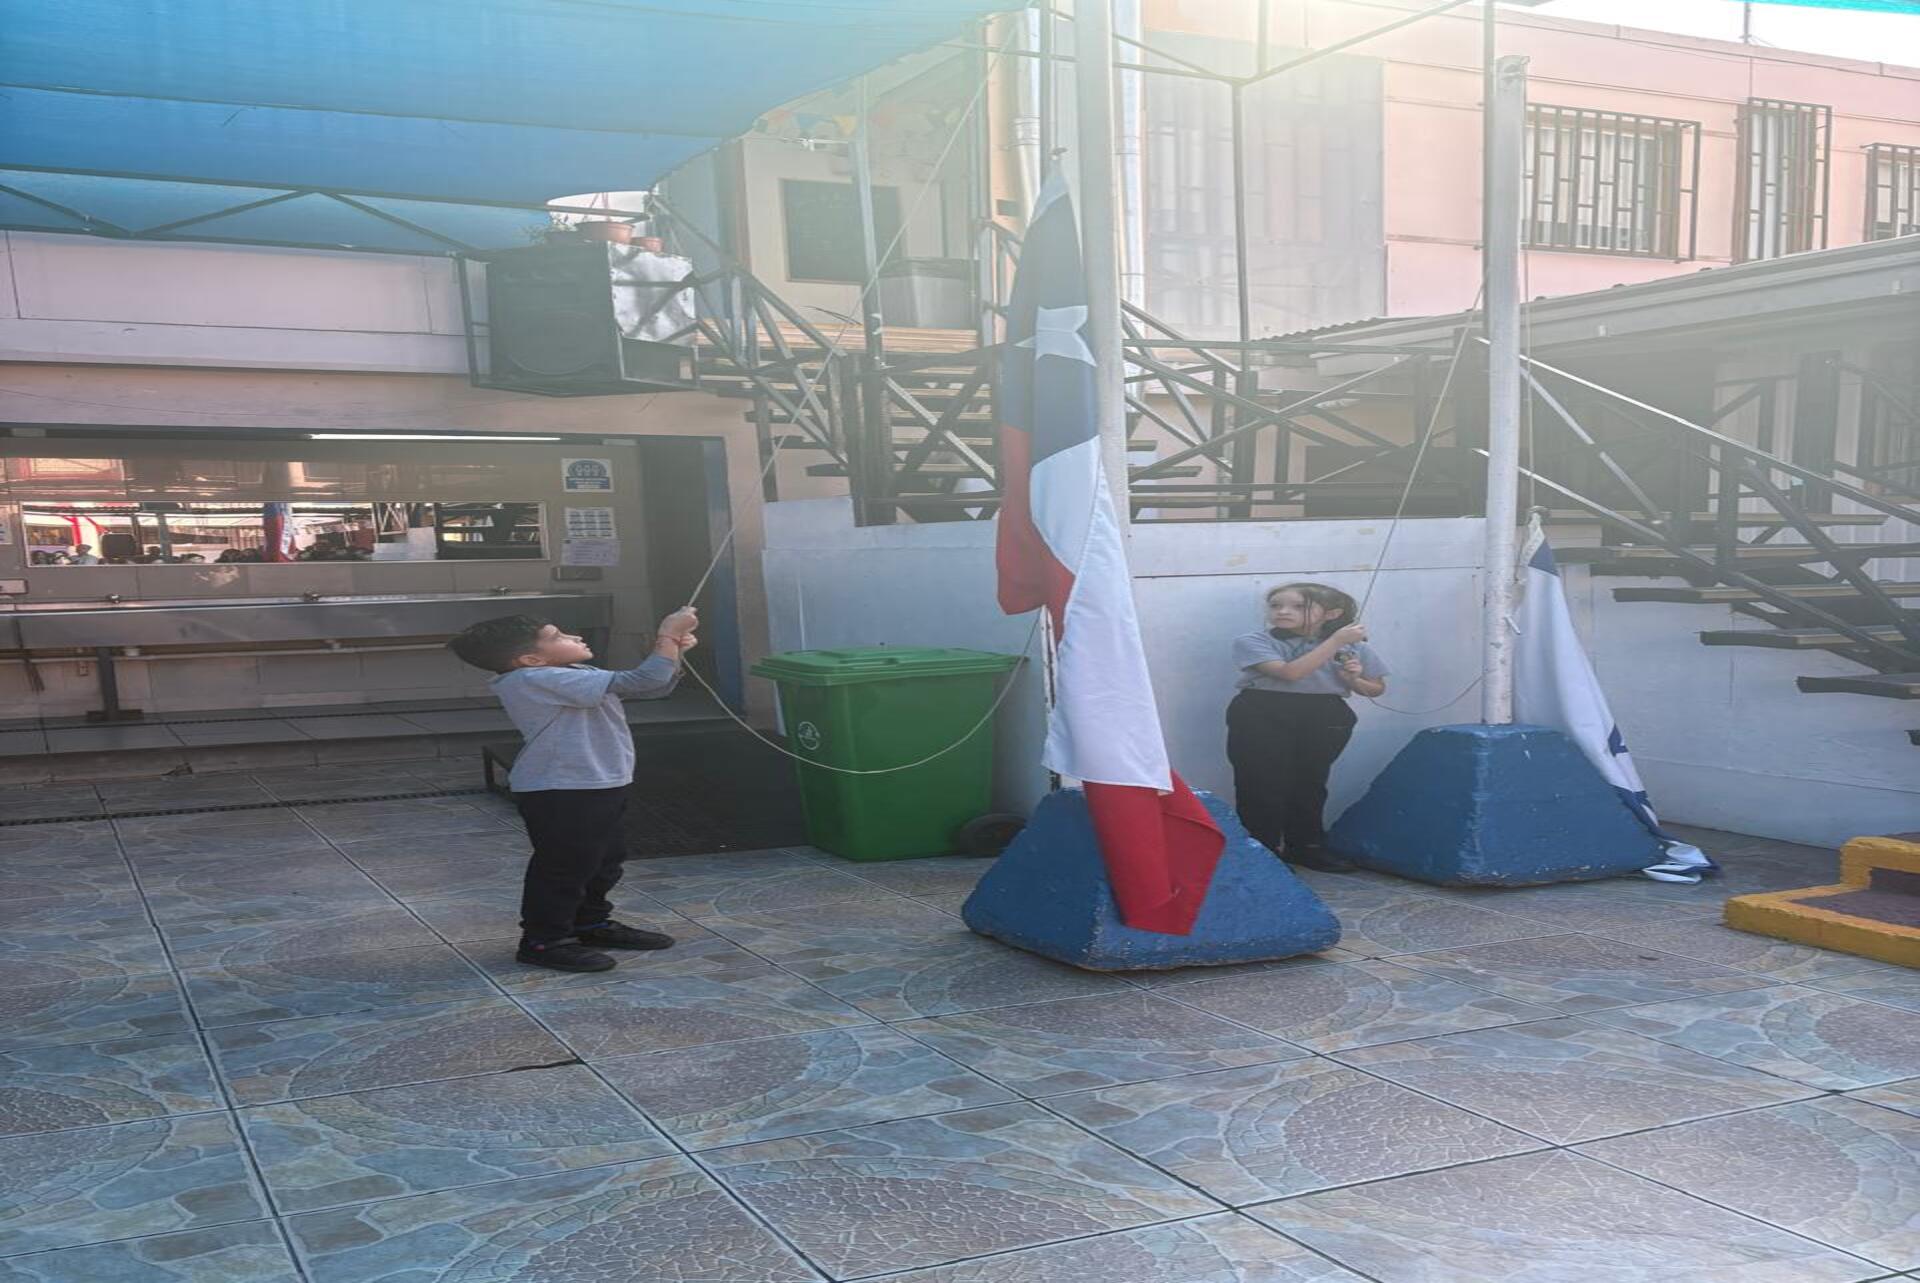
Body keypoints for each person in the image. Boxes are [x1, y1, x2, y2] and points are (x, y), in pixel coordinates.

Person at [447, 608, 699, 972]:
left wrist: (675, 650)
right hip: (562, 788)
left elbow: (653, 686)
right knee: (565, 866)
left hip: (597, 781)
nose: (575, 637)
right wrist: (667, 636)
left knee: (604, 859)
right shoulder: (534, 679)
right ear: (530, 659)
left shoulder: (571, 672)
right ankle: (543, 940)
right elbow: (643, 679)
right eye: (559, 637)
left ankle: (590, 923)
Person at [1227, 583, 1388, 874]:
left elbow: (1375, 688)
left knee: (1310, 782)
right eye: (1275, 605)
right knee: (1260, 783)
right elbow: (1290, 673)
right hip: (1262, 711)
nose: (1283, 612)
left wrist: (1353, 679)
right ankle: (1262, 853)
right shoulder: (1253, 641)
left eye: (1299, 606)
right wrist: (1335, 641)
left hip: (1325, 714)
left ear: (1332, 613)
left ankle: (1306, 846)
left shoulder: (1352, 646)